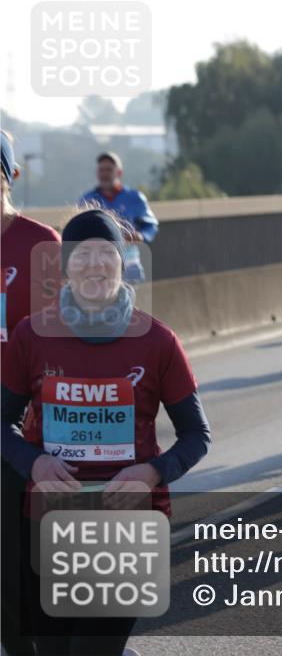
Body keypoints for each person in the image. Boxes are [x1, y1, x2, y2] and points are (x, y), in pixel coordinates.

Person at [1, 208, 211, 656]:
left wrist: (154, 472)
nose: (94, 264)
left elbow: (196, 434)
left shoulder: (157, 341)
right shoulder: (31, 337)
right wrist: (33, 461)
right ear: (64, 267)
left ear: (122, 261)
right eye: (81, 254)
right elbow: (2, 423)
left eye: (106, 253)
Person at [0, 130, 61, 656]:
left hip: (14, 423)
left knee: (18, 561)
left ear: (10, 174)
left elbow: (57, 339)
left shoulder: (40, 244)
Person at [78, 152, 158, 283]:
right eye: (101, 170)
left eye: (109, 170)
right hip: (97, 263)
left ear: (119, 172)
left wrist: (141, 235)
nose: (105, 174)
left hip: (128, 260)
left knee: (127, 300)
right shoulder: (87, 199)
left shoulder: (135, 197)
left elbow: (151, 225)